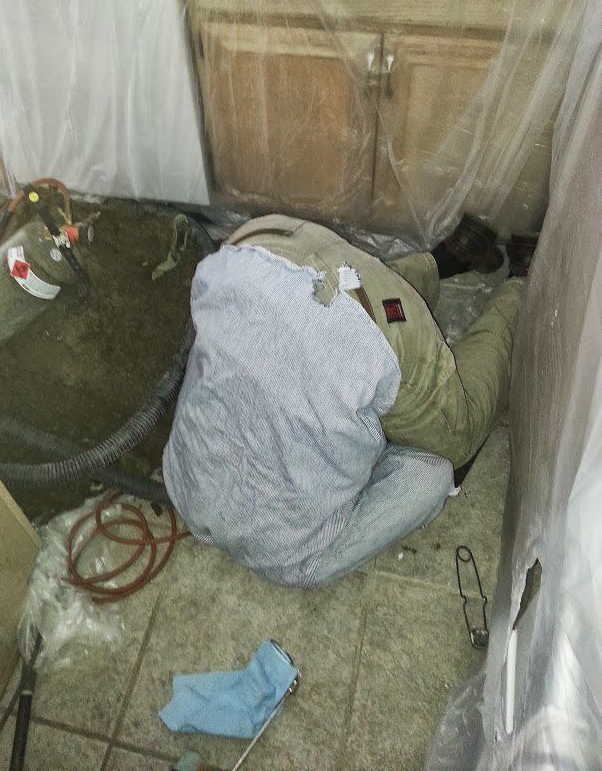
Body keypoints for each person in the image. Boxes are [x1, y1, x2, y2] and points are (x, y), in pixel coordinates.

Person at [163, 213, 531, 587]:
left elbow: (429, 475)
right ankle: (448, 258)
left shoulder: (296, 562)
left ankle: (522, 281)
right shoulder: (180, 486)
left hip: (362, 320)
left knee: (458, 432)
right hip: (254, 249)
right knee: (338, 286)